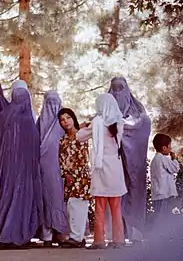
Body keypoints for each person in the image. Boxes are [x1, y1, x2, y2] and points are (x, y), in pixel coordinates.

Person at [0, 86, 43, 249]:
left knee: (5, 199)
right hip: (24, 172)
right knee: (20, 200)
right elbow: (34, 146)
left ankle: (0, 235)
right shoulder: (26, 119)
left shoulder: (3, 117)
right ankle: (16, 235)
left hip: (4, 172)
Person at [76, 93, 127, 249]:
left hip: (101, 165)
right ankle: (119, 240)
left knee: (100, 206)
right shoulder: (119, 123)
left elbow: (79, 137)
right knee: (116, 207)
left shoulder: (96, 122)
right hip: (116, 166)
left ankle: (99, 241)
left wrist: (84, 126)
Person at [108, 76, 151, 243]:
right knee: (116, 193)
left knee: (134, 190)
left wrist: (123, 127)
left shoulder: (138, 110)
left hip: (134, 160)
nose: (118, 93)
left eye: (121, 88)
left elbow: (143, 124)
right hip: (112, 160)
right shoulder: (106, 110)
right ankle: (117, 234)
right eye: (115, 89)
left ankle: (135, 233)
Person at [37, 90, 69, 247]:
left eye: (55, 102)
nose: (52, 106)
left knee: (58, 199)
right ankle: (47, 236)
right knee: (47, 199)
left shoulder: (63, 122)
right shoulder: (39, 122)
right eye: (49, 102)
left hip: (61, 169)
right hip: (44, 169)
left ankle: (60, 234)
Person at [57, 108, 90, 248]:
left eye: (68, 118)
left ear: (73, 118)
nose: (66, 122)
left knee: (79, 207)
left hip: (81, 177)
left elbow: (84, 157)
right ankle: (77, 237)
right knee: (71, 207)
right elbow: (61, 159)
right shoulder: (62, 140)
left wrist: (75, 174)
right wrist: (66, 173)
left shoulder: (81, 135)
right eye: (62, 120)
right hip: (69, 178)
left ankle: (77, 238)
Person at [150, 133, 180, 225]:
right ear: (164, 148)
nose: (170, 148)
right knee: (164, 219)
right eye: (169, 145)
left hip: (157, 195)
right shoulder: (163, 159)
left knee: (159, 217)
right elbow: (175, 168)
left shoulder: (154, 160)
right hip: (164, 195)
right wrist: (174, 159)